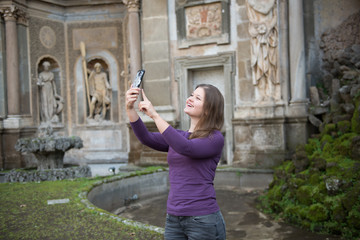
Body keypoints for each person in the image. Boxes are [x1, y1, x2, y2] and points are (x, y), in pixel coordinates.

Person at [126, 84, 226, 240]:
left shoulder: (215, 138)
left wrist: (155, 116)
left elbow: (186, 148)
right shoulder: (179, 136)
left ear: (208, 109)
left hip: (203, 219)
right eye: (191, 95)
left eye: (197, 98)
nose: (190, 99)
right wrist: (130, 108)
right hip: (174, 218)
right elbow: (146, 138)